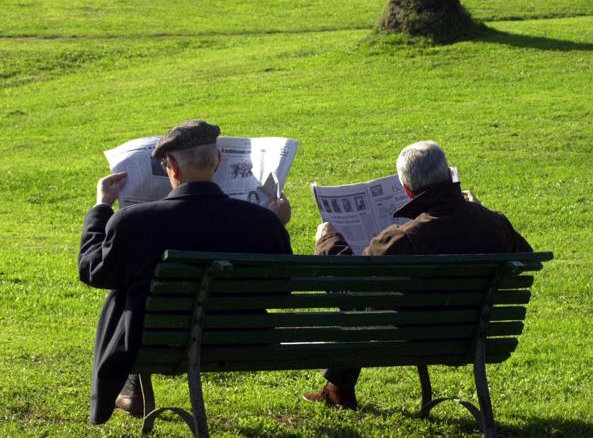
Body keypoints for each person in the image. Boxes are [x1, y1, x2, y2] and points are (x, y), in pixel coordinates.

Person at [78, 119, 292, 424]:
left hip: (157, 343)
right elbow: (282, 290)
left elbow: (92, 270)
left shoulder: (132, 223)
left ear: (173, 168)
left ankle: (131, 388)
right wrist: (273, 224)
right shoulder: (263, 222)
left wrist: (101, 208)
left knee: (124, 289)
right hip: (241, 339)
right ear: (217, 162)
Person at [303, 140, 532, 411]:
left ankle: (338, 389)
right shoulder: (496, 224)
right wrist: (486, 214)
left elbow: (350, 292)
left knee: (362, 311)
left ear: (407, 190)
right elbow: (526, 259)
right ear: (449, 176)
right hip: (474, 337)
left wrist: (327, 241)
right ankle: (337, 389)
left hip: (410, 339)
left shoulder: (401, 240)